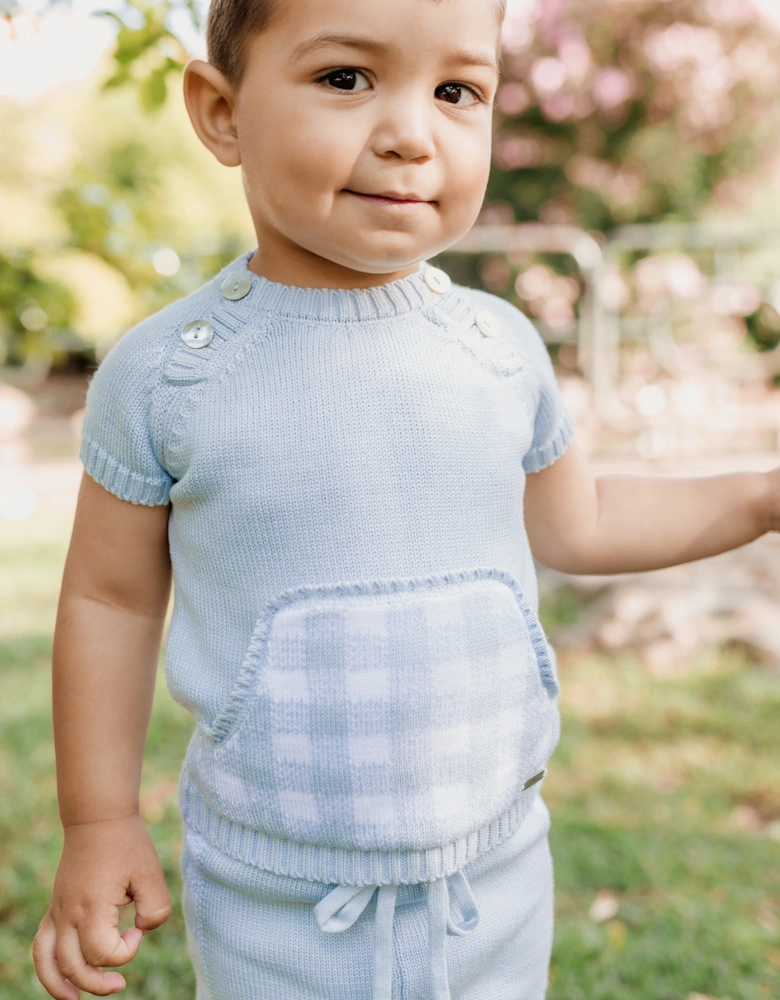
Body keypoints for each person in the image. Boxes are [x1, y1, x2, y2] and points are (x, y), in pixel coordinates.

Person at [31, 0, 780, 997]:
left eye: (457, 91)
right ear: (221, 112)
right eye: (346, 78)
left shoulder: (499, 348)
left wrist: (763, 496)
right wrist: (99, 819)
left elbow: (582, 519)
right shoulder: (170, 374)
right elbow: (109, 601)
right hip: (273, 897)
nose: (410, 133)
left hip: (495, 876)